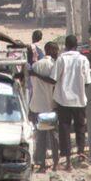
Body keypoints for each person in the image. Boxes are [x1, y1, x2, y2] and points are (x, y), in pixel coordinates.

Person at [53, 34, 91, 170]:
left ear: (66, 45)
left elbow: (54, 78)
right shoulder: (83, 60)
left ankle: (68, 160)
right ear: (76, 46)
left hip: (63, 100)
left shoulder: (61, 59)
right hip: (79, 100)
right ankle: (81, 154)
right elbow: (87, 82)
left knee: (64, 128)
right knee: (80, 127)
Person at [30, 42, 61, 172]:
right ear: (51, 50)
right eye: (56, 50)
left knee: (41, 137)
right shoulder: (54, 66)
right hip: (50, 105)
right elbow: (55, 84)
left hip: (37, 105)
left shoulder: (35, 66)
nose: (57, 52)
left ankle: (42, 164)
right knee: (53, 136)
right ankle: (55, 163)